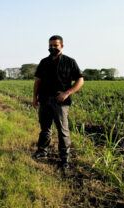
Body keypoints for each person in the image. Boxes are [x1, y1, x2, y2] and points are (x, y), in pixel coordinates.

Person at [32, 35, 84, 169]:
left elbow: (80, 80)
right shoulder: (44, 62)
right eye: (50, 45)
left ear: (62, 46)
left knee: (63, 131)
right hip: (44, 100)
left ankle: (64, 158)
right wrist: (34, 97)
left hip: (60, 102)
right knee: (45, 129)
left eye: (55, 45)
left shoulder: (70, 61)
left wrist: (67, 93)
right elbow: (38, 81)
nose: (52, 48)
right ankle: (42, 151)